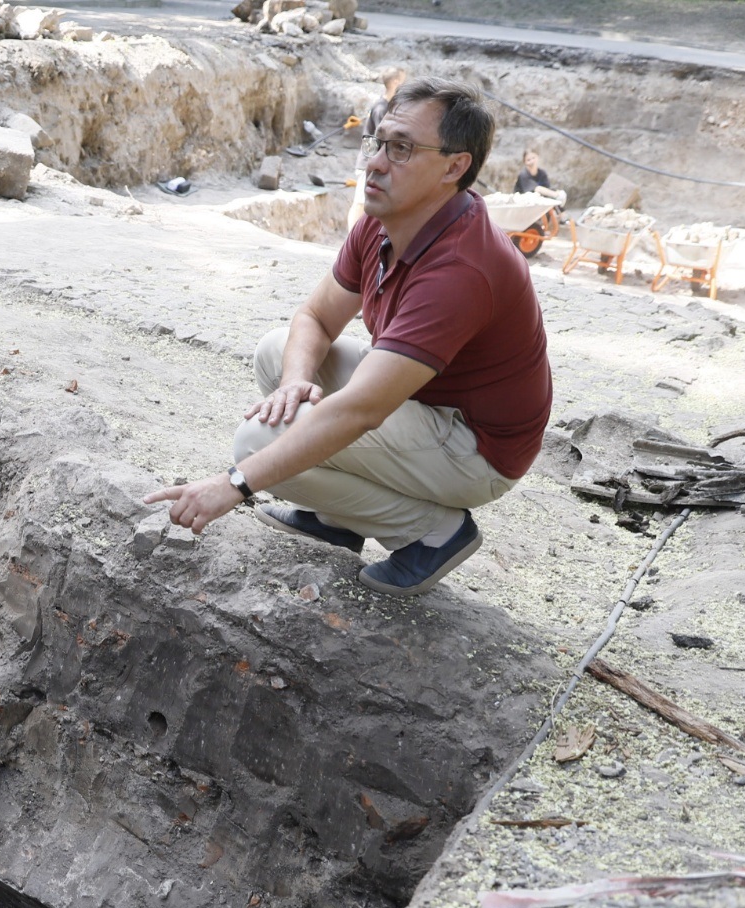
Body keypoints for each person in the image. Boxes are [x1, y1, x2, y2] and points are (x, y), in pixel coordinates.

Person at [146, 77, 552, 598]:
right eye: (378, 142)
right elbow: (314, 317)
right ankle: (337, 519)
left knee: (256, 445)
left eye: (402, 148)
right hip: (421, 400)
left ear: (455, 166)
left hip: (474, 448)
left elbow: (359, 411)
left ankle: (433, 532)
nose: (376, 163)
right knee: (278, 355)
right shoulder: (386, 219)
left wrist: (235, 485)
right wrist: (295, 384)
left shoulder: (462, 268)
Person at [348, 67, 407, 229]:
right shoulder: (381, 109)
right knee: (360, 202)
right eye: (403, 79)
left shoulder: (386, 106)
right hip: (368, 160)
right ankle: (352, 236)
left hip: (373, 160)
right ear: (395, 82)